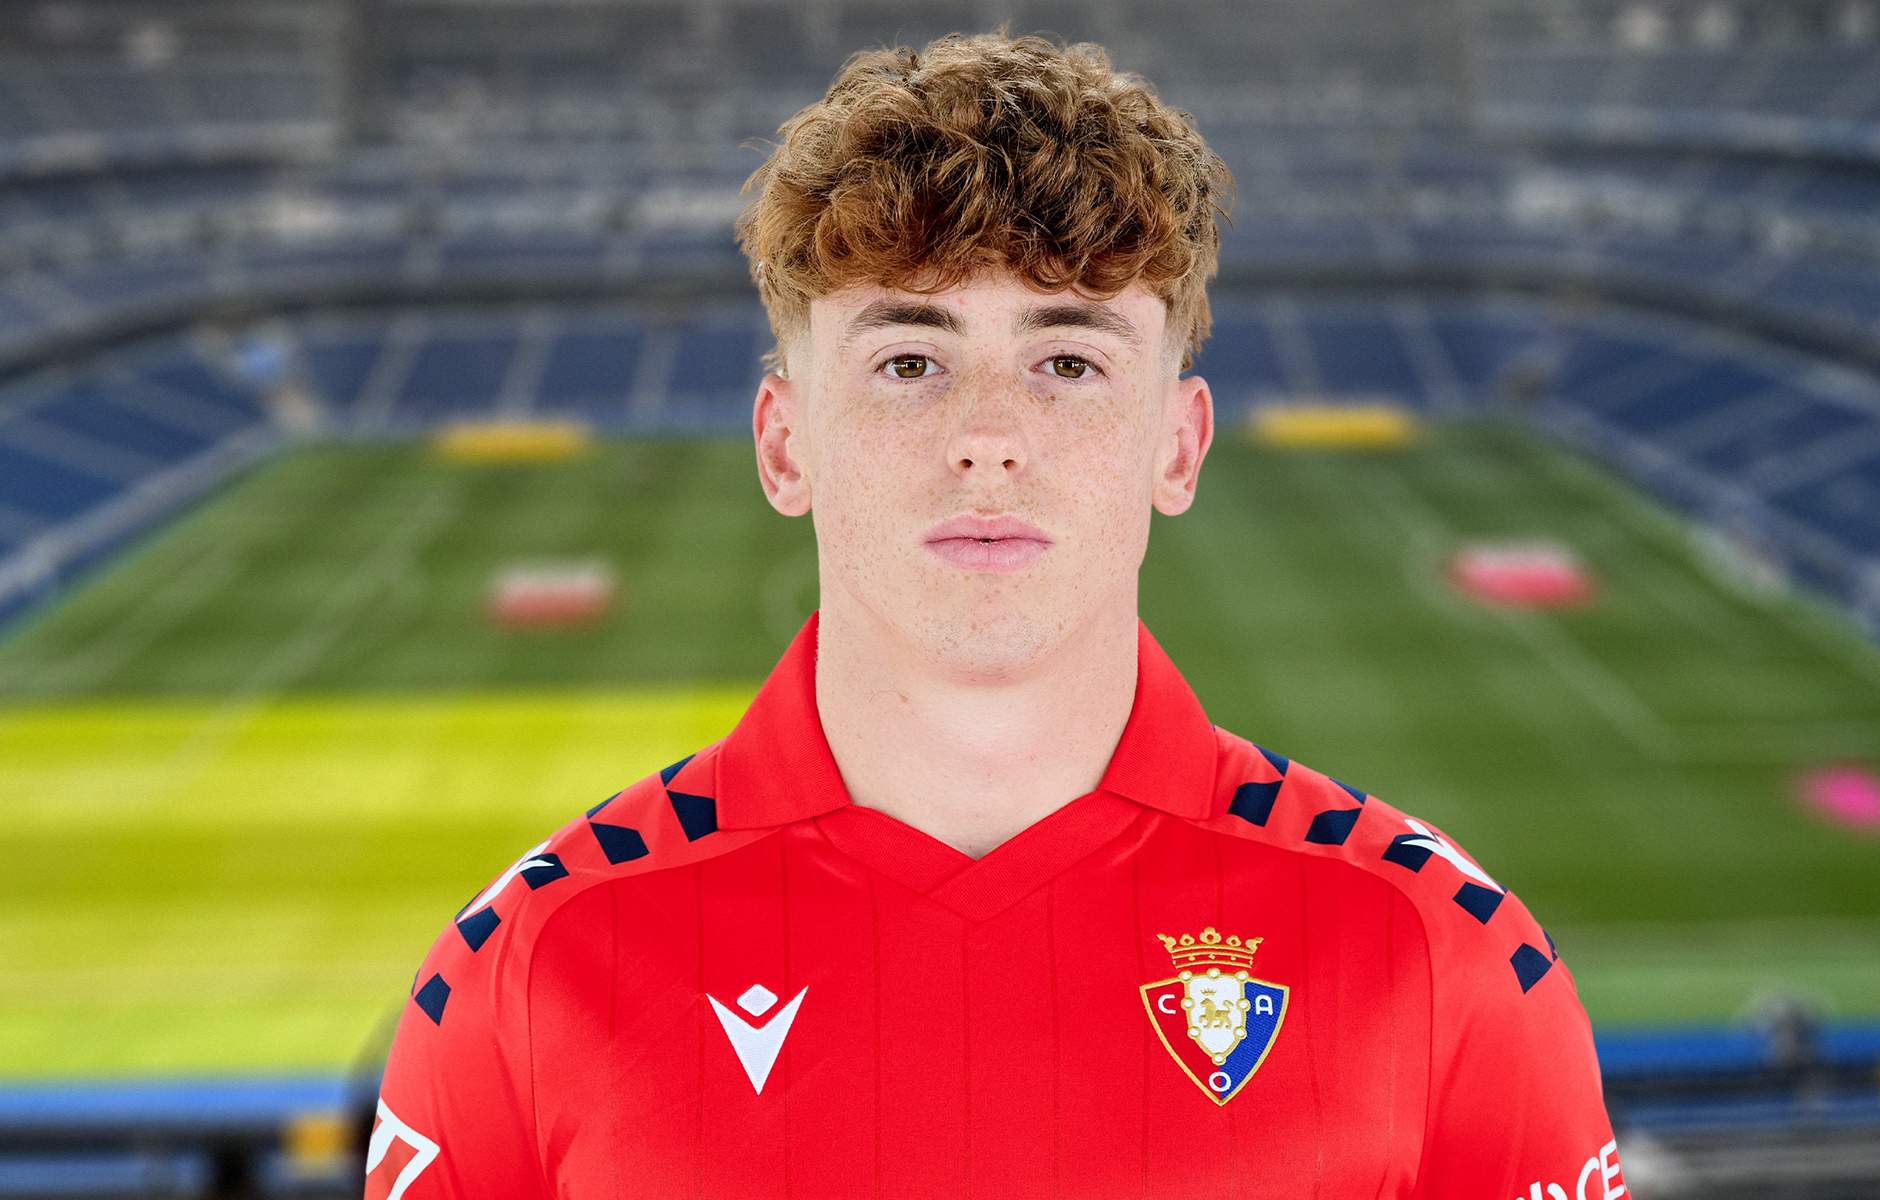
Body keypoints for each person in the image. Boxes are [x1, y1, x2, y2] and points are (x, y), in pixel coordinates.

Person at [366, 27, 1627, 1200]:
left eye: (1068, 362)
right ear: (784, 441)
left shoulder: (1440, 958)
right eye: (908, 361)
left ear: (1177, 448)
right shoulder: (525, 973)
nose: (986, 440)